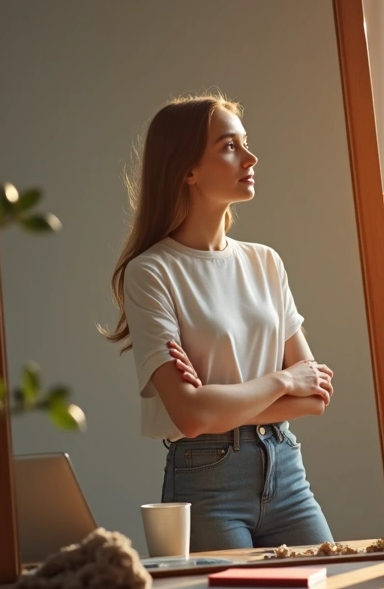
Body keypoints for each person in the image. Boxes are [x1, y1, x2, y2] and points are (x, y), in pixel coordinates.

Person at [101, 93, 335, 552]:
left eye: (244, 143)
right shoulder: (151, 272)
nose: (250, 157)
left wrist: (215, 403)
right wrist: (283, 378)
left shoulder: (266, 262)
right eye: (229, 146)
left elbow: (314, 399)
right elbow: (189, 417)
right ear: (187, 170)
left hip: (286, 471)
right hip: (207, 484)